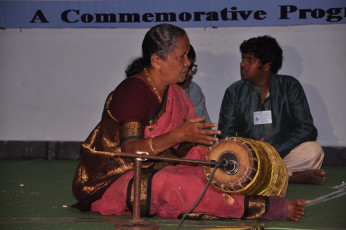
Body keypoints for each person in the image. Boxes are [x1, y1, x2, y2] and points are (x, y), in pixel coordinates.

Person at [72, 24, 306, 222]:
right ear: (156, 60)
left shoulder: (174, 92)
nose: (187, 63)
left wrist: (210, 151)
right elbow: (131, 150)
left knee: (209, 165)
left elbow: (184, 149)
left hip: (157, 165)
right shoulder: (133, 92)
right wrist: (179, 135)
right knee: (174, 184)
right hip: (113, 180)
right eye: (181, 56)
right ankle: (265, 208)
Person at [218, 35, 326, 185]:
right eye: (243, 58)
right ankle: (289, 177)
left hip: (282, 155)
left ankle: (262, 179)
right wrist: (252, 152)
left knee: (314, 151)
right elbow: (225, 135)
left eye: (250, 60)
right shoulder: (234, 92)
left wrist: (273, 151)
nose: (242, 64)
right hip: (249, 160)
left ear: (267, 66)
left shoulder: (290, 86)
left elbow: (307, 129)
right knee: (223, 159)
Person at [178, 44, 211, 123]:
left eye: (192, 67)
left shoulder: (194, 90)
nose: (190, 73)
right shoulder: (160, 88)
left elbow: (204, 127)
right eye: (186, 67)